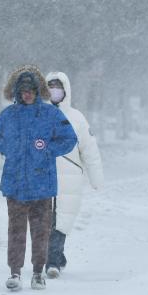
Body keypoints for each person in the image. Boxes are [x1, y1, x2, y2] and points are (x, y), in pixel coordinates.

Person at [0, 65, 78, 291]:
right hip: (14, 183)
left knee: (41, 231)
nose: (26, 93)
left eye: (30, 89)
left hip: (42, 184)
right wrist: (7, 147)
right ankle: (15, 272)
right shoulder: (9, 115)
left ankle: (38, 272)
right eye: (22, 90)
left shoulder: (50, 114)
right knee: (16, 230)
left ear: (38, 91)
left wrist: (48, 150)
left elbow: (69, 138)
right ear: (16, 92)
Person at [44, 71, 104, 279]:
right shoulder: (37, 114)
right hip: (41, 176)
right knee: (44, 220)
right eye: (50, 86)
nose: (54, 90)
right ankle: (54, 257)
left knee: (62, 219)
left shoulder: (77, 118)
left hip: (69, 178)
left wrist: (96, 178)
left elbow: (89, 149)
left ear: (65, 90)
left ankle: (53, 261)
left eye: (58, 86)